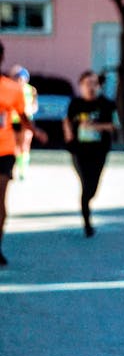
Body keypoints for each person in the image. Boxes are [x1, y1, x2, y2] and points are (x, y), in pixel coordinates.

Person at [0, 41, 48, 265]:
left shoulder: (12, 88)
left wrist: (35, 131)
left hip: (4, 150)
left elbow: (23, 115)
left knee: (0, 199)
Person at [63, 70, 118, 237]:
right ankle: (87, 223)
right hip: (79, 151)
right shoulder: (75, 104)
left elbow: (114, 126)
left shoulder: (107, 104)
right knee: (85, 184)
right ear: (81, 86)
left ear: (99, 86)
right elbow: (66, 120)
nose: (91, 87)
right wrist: (69, 136)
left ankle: (87, 202)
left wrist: (95, 126)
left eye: (94, 84)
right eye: (87, 84)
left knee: (93, 188)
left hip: (99, 151)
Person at [9, 65, 38, 180]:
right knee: (14, 146)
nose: (20, 80)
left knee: (25, 144)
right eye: (18, 78)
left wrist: (31, 109)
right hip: (13, 120)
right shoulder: (11, 89)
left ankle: (23, 170)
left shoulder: (31, 90)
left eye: (22, 77)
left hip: (26, 120)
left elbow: (35, 105)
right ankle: (14, 168)